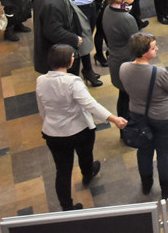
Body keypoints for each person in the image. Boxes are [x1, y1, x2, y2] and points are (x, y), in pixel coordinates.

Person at [36, 44, 127, 211]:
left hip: (53, 133)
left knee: (62, 170)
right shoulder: (73, 82)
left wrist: (49, 123)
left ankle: (67, 206)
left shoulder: (41, 81)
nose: (73, 58)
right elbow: (91, 104)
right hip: (79, 130)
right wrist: (113, 119)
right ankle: (87, 172)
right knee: (85, 154)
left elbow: (42, 108)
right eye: (72, 56)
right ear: (67, 61)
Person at [119, 32, 168, 197]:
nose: (157, 49)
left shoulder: (124, 68)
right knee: (165, 152)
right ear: (143, 52)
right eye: (153, 48)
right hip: (164, 117)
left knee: (144, 150)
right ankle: (167, 187)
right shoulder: (159, 73)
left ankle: (146, 184)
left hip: (138, 115)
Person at [102, 0, 139, 130]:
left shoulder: (108, 9)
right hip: (126, 63)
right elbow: (137, 42)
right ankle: (127, 130)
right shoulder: (126, 18)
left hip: (115, 59)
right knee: (127, 100)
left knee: (123, 97)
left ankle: (125, 129)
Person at [33, 0, 86, 75]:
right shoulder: (52, 4)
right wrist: (74, 39)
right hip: (57, 56)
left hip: (48, 52)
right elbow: (53, 31)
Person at [68, 0, 102, 87]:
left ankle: (88, 69)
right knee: (84, 40)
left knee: (88, 37)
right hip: (80, 9)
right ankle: (87, 70)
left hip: (91, 6)